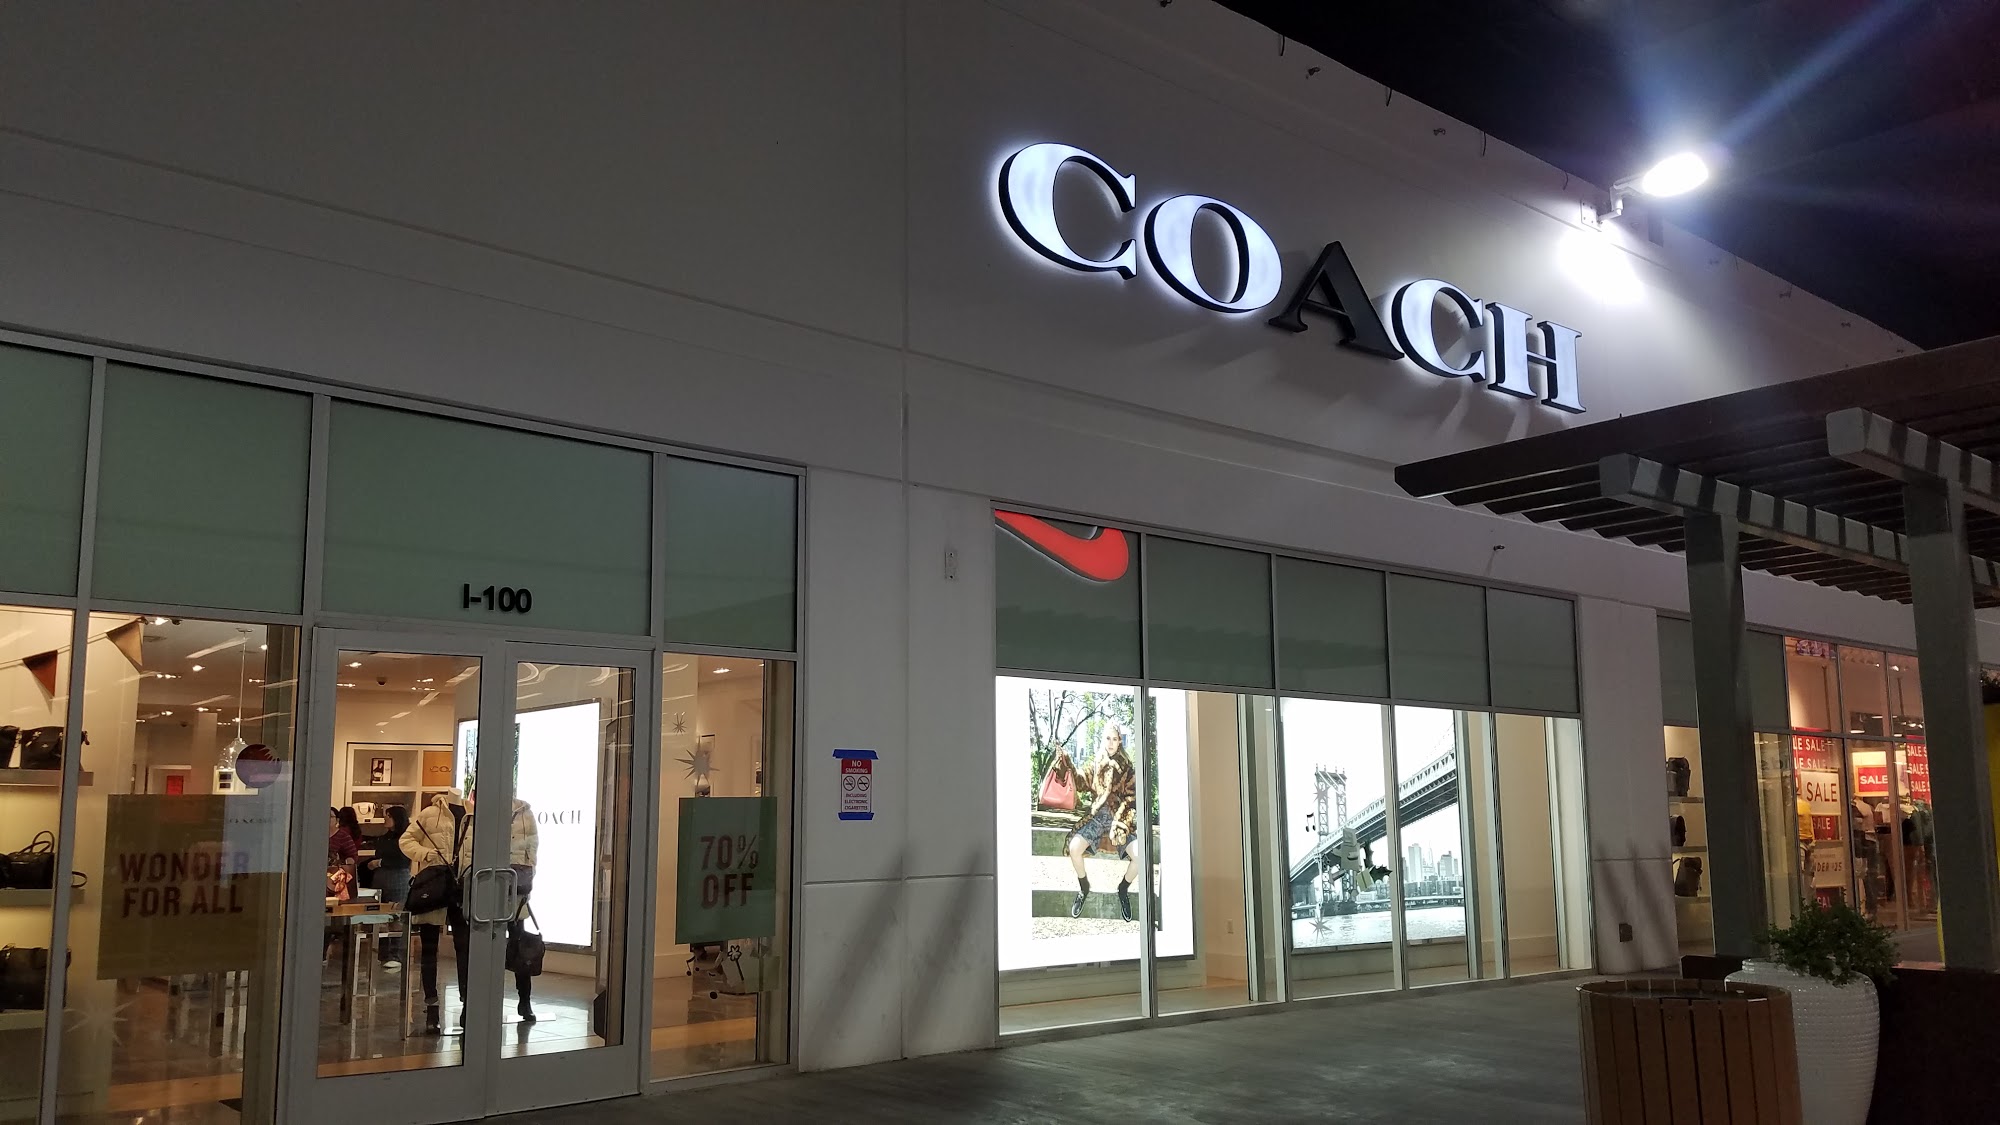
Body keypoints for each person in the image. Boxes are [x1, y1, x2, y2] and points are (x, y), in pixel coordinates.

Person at [402, 790, 471, 1035]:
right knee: (429, 950)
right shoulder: (430, 813)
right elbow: (406, 840)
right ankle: (431, 1006)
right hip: (435, 887)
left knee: (465, 950)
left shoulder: (472, 815)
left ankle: (467, 1004)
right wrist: (425, 854)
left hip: (463, 889)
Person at [1065, 726, 1140, 923]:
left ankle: (1122, 889)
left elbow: (1131, 798)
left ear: (1120, 741)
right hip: (1097, 818)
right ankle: (1084, 887)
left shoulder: (1127, 767)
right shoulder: (1096, 762)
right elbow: (1081, 782)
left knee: (1140, 856)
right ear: (1103, 740)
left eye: (1114, 739)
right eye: (1108, 738)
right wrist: (1068, 763)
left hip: (1119, 819)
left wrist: (1122, 823)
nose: (1111, 743)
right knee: (1074, 848)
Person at [504, 796, 540, 1022]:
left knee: (520, 946)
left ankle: (524, 1000)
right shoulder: (481, 810)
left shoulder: (525, 813)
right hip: (488, 883)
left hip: (517, 888)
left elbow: (533, 847)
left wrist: (529, 876)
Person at [370, 805, 412, 969]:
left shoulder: (405, 838)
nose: (385, 818)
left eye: (388, 815)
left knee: (396, 916)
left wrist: (380, 862)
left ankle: (396, 954)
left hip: (398, 878)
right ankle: (383, 953)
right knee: (381, 917)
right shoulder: (384, 838)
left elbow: (403, 859)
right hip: (381, 879)